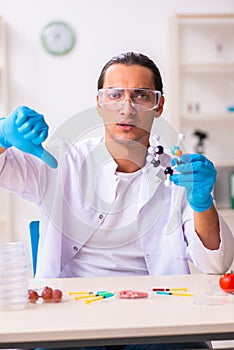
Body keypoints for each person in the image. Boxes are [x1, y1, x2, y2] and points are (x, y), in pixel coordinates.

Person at [0, 52, 233, 350]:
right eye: (114, 95)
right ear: (99, 103)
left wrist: (201, 202)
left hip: (160, 316)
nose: (127, 107)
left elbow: (217, 262)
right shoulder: (62, 160)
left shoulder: (179, 170)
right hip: (70, 315)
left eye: (141, 95)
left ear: (158, 105)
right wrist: (3, 134)